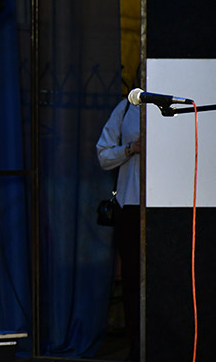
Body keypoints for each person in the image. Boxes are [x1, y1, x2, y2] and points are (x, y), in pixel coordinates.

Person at [96, 97, 141, 361]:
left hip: (169, 204)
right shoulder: (127, 107)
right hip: (131, 204)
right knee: (132, 280)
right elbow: (103, 154)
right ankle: (136, 347)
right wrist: (130, 149)